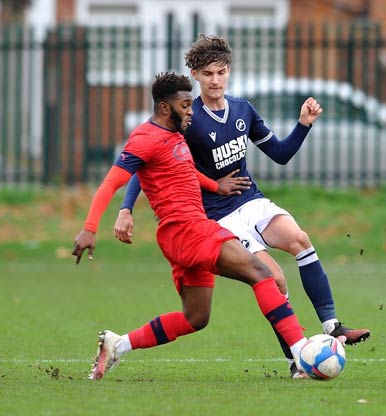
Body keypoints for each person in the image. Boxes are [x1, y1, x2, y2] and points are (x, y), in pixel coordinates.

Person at [115, 35, 370, 379]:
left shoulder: (242, 109)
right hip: (216, 216)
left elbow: (280, 155)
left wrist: (303, 124)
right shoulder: (188, 119)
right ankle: (297, 361)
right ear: (195, 76)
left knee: (300, 239)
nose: (215, 80)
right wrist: (127, 207)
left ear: (229, 72)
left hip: (251, 201)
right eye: (207, 74)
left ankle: (333, 325)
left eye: (221, 72)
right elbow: (144, 164)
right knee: (274, 279)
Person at [72, 72, 309, 381]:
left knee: (196, 317)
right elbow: (110, 183)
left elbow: (182, 172)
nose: (191, 111)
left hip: (186, 234)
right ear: (164, 107)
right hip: (187, 230)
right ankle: (303, 354)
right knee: (262, 273)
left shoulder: (175, 136)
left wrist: (216, 185)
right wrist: (92, 227)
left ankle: (118, 344)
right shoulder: (145, 138)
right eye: (185, 105)